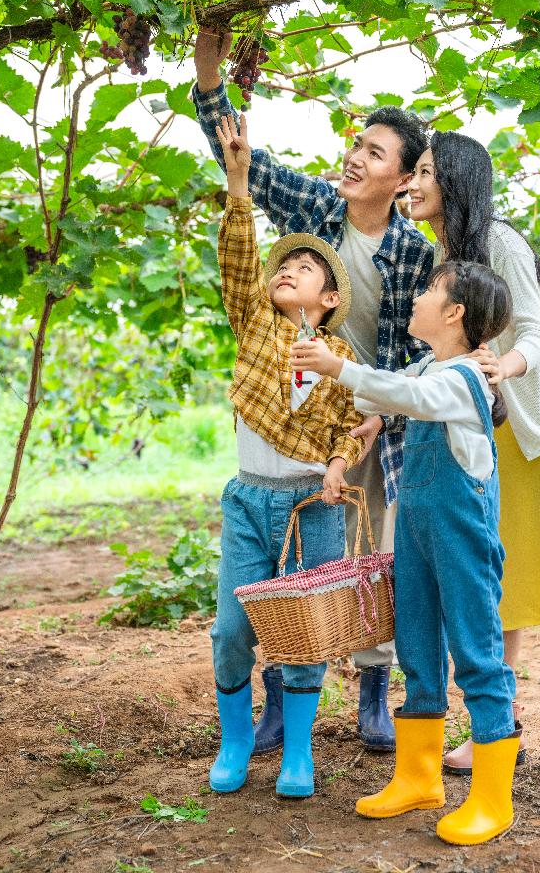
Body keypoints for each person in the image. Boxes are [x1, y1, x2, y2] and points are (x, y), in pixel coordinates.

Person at [193, 27, 434, 752]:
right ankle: (278, 695)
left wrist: (380, 413)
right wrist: (211, 79)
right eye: (355, 145)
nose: (355, 158)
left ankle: (369, 690)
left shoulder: (414, 252)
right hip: (303, 416)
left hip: (377, 419)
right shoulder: (313, 210)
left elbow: (428, 351)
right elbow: (242, 161)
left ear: (404, 177)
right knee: (295, 560)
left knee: (369, 553)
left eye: (374, 153)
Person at [407, 132, 540, 790]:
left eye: (424, 172)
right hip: (492, 432)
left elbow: (536, 333)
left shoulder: (502, 243)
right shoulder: (441, 251)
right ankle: (502, 720)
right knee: (498, 573)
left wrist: (504, 365)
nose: (411, 183)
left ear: (456, 182)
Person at [291, 260, 522, 845]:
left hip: (462, 535)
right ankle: (419, 775)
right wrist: (373, 420)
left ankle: (494, 797)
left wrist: (337, 368)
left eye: (428, 291)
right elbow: (402, 393)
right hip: (418, 531)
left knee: (475, 650)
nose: (416, 298)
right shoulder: (432, 363)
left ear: (454, 314)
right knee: (416, 641)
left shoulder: (465, 378)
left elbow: (415, 394)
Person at [209, 112, 366, 799]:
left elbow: (345, 430)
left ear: (328, 301)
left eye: (303, 270)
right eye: (283, 267)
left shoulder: (341, 360)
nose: (286, 272)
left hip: (310, 506)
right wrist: (238, 184)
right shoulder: (255, 326)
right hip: (248, 499)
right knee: (231, 629)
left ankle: (298, 752)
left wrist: (336, 467)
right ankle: (237, 740)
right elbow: (240, 260)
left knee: (303, 635)